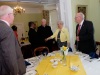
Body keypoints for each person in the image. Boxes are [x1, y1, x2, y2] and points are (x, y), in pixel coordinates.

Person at [0, 5, 26, 75]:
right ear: (9, 15)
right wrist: (15, 72)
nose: (14, 17)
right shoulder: (7, 30)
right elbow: (10, 56)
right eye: (13, 14)